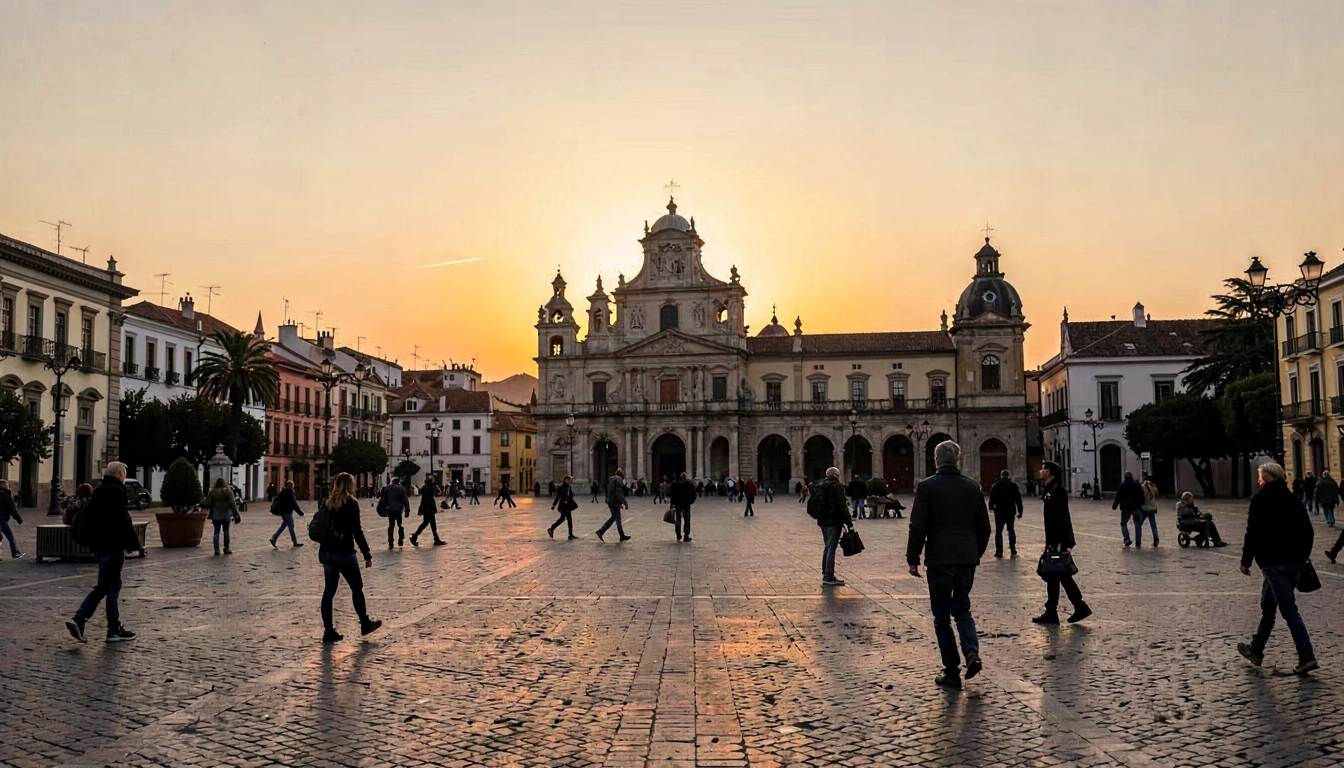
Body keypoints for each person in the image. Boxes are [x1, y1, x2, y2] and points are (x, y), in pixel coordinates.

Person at [907, 440, 991, 689]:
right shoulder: (972, 487)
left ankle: (952, 670)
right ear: (958, 459)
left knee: (941, 616)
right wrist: (974, 553)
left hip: (939, 560)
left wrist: (913, 559)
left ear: (935, 460)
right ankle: (971, 652)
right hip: (966, 560)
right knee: (962, 609)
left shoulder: (927, 487)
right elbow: (984, 528)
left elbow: (918, 526)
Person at [1236, 462, 1317, 675]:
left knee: (1288, 609)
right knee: (1268, 606)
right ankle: (1256, 650)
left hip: (1273, 563)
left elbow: (1252, 532)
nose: (1259, 480)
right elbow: (1307, 531)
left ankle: (1307, 656)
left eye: (1261, 477)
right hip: (1293, 563)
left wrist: (1246, 560)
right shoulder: (1293, 499)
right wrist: (1301, 557)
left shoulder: (1260, 500)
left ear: (1269, 477)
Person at [65, 462, 139, 643]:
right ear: (120, 474)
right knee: (109, 587)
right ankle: (92, 622)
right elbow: (122, 520)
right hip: (113, 545)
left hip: (99, 546)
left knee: (107, 586)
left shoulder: (98, 491)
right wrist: (133, 542)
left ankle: (104, 626)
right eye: (123, 474)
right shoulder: (117, 491)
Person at [316, 472, 381, 643]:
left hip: (326, 552)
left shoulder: (325, 502)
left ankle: (328, 630)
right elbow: (356, 530)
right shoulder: (351, 503)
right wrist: (366, 553)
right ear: (350, 485)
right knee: (356, 587)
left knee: (328, 592)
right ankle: (365, 623)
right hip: (343, 552)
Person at [1033, 461, 1092, 625]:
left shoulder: (1057, 490)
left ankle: (1078, 607)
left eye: (1044, 468)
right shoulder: (1050, 488)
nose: (1041, 470)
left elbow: (1061, 517)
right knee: (1055, 574)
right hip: (1053, 538)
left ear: (1050, 472)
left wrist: (1058, 541)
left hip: (1058, 538)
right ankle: (1053, 611)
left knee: (1061, 574)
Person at [814, 467, 852, 586]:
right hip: (834, 521)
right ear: (836, 475)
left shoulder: (821, 485)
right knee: (831, 548)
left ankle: (825, 573)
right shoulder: (837, 486)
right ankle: (829, 577)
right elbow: (842, 505)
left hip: (822, 521)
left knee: (827, 547)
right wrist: (848, 521)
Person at [988, 470, 1023, 558]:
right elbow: (1018, 500)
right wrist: (1020, 511)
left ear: (1001, 475)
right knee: (1011, 529)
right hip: (1010, 511)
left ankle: (999, 551)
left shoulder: (996, 486)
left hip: (999, 511)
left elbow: (991, 498)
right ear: (1008, 476)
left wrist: (991, 507)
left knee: (999, 531)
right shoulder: (1013, 486)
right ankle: (1013, 548)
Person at [206, 477, 240, 556]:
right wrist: (236, 515)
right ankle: (226, 548)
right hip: (226, 515)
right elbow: (233, 504)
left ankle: (217, 550)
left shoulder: (212, 491)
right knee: (226, 532)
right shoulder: (228, 491)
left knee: (216, 532)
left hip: (216, 515)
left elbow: (208, 503)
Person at [1112, 472, 1145, 548]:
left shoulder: (1122, 485)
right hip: (1136, 507)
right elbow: (1141, 495)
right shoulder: (1136, 485)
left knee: (1123, 524)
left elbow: (1118, 496)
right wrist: (1141, 504)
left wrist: (1115, 505)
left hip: (1125, 508)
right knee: (1138, 525)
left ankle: (1127, 539)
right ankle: (1138, 542)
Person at [597, 468, 631, 542]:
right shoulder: (618, 480)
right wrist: (624, 502)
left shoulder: (611, 479)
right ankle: (601, 531)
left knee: (616, 518)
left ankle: (621, 535)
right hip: (614, 502)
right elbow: (619, 493)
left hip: (611, 501)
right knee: (616, 518)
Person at [269, 480, 305, 549]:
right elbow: (294, 504)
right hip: (287, 512)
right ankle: (295, 542)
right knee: (291, 527)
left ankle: (274, 538)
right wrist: (300, 512)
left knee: (283, 526)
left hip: (283, 512)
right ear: (291, 486)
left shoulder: (283, 492)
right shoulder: (290, 493)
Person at [410, 478, 446, 546]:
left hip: (425, 508)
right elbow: (438, 493)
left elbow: (419, 492)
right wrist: (436, 486)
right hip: (429, 508)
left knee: (428, 524)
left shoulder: (424, 488)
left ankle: (435, 539)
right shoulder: (430, 488)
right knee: (429, 524)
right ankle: (415, 536)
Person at [379, 478, 410, 548]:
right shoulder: (401, 488)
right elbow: (405, 499)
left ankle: (390, 541)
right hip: (398, 509)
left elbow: (383, 499)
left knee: (391, 525)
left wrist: (383, 509)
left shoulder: (387, 488)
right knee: (400, 524)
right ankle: (401, 539)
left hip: (389, 509)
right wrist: (407, 510)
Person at [0, 479, 24, 560]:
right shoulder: (6, 496)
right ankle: (16, 554)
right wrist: (18, 519)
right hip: (2, 521)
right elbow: (12, 509)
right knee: (11, 538)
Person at [548, 475, 578, 540]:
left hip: (568, 506)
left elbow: (570, 497)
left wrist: (574, 504)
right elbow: (558, 497)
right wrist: (554, 505)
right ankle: (570, 534)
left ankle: (551, 529)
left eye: (569, 480)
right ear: (564, 480)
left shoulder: (569, 488)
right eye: (567, 480)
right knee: (569, 520)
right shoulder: (561, 488)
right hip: (563, 506)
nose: (568, 481)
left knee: (562, 519)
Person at [670, 472, 696, 542]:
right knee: (687, 520)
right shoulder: (690, 484)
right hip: (687, 504)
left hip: (678, 504)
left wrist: (672, 504)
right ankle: (686, 535)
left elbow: (672, 494)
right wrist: (690, 502)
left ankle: (678, 534)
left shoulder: (676, 484)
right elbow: (694, 494)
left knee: (678, 520)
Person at [1138, 473, 1160, 547]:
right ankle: (1156, 538)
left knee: (1139, 525)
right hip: (1152, 508)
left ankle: (1138, 541)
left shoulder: (1143, 487)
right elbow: (1156, 498)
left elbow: (1141, 497)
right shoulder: (1154, 487)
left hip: (1144, 508)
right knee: (1153, 525)